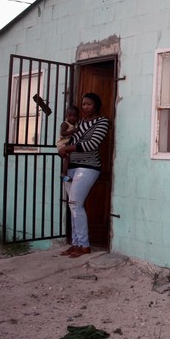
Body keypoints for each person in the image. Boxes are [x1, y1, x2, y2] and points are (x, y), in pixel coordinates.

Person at [58, 92, 109, 258]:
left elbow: (92, 144)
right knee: (72, 205)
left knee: (75, 203)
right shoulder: (79, 122)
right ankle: (76, 243)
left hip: (88, 167)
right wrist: (64, 149)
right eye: (84, 104)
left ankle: (85, 245)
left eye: (89, 104)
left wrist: (66, 149)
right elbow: (71, 140)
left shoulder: (102, 122)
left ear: (96, 105)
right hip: (71, 167)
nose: (86, 107)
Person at [56, 105, 79, 182]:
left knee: (68, 158)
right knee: (67, 158)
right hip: (62, 144)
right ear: (66, 116)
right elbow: (62, 133)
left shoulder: (74, 125)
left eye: (74, 116)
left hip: (67, 144)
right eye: (70, 115)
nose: (72, 118)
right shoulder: (65, 124)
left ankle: (65, 174)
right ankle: (63, 174)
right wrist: (73, 131)